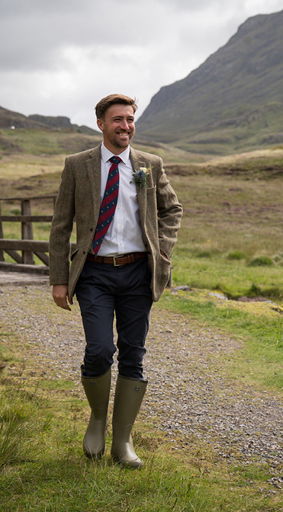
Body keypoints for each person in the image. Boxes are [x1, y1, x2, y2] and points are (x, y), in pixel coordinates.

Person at [49, 93, 183, 468]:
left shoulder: (149, 164)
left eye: (129, 119)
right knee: (98, 349)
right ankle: (96, 419)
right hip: (93, 273)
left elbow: (172, 209)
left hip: (139, 272)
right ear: (101, 124)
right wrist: (59, 279)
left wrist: (163, 251)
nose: (125, 126)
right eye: (117, 120)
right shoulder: (78, 165)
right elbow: (61, 225)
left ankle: (122, 443)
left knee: (133, 353)